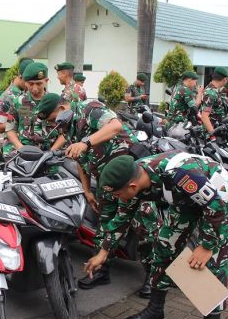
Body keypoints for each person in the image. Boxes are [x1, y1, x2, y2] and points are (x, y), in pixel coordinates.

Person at [86, 152, 228, 319]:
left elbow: (215, 208)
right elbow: (122, 217)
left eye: (119, 194)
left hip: (218, 200)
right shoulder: (134, 178)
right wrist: (103, 252)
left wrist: (206, 246)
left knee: (208, 265)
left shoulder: (180, 174)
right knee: (164, 247)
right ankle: (155, 311)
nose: (119, 198)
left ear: (132, 186)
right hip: (186, 200)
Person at [40, 96, 149, 293]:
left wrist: (86, 142)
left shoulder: (89, 108)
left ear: (62, 108)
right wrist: (87, 191)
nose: (54, 124)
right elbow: (80, 160)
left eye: (52, 119)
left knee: (142, 224)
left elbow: (115, 126)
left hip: (129, 177)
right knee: (104, 222)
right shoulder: (68, 127)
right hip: (106, 182)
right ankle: (101, 271)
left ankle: (153, 276)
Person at [2, 63, 65, 155]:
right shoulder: (18, 102)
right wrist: (21, 148)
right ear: (25, 82)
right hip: (25, 152)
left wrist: (50, 153)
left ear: (46, 81)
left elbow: (64, 134)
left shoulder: (55, 103)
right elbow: (10, 129)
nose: (35, 88)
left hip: (51, 152)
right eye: (30, 84)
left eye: (39, 84)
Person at [0, 57, 33, 134]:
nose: (30, 85)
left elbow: (26, 119)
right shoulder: (7, 97)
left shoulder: (25, 93)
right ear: (20, 75)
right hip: (13, 140)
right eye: (28, 81)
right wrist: (19, 125)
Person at [200, 67, 228, 134]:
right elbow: (204, 116)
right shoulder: (211, 93)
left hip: (217, 128)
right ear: (225, 79)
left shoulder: (213, 90)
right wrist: (212, 135)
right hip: (211, 130)